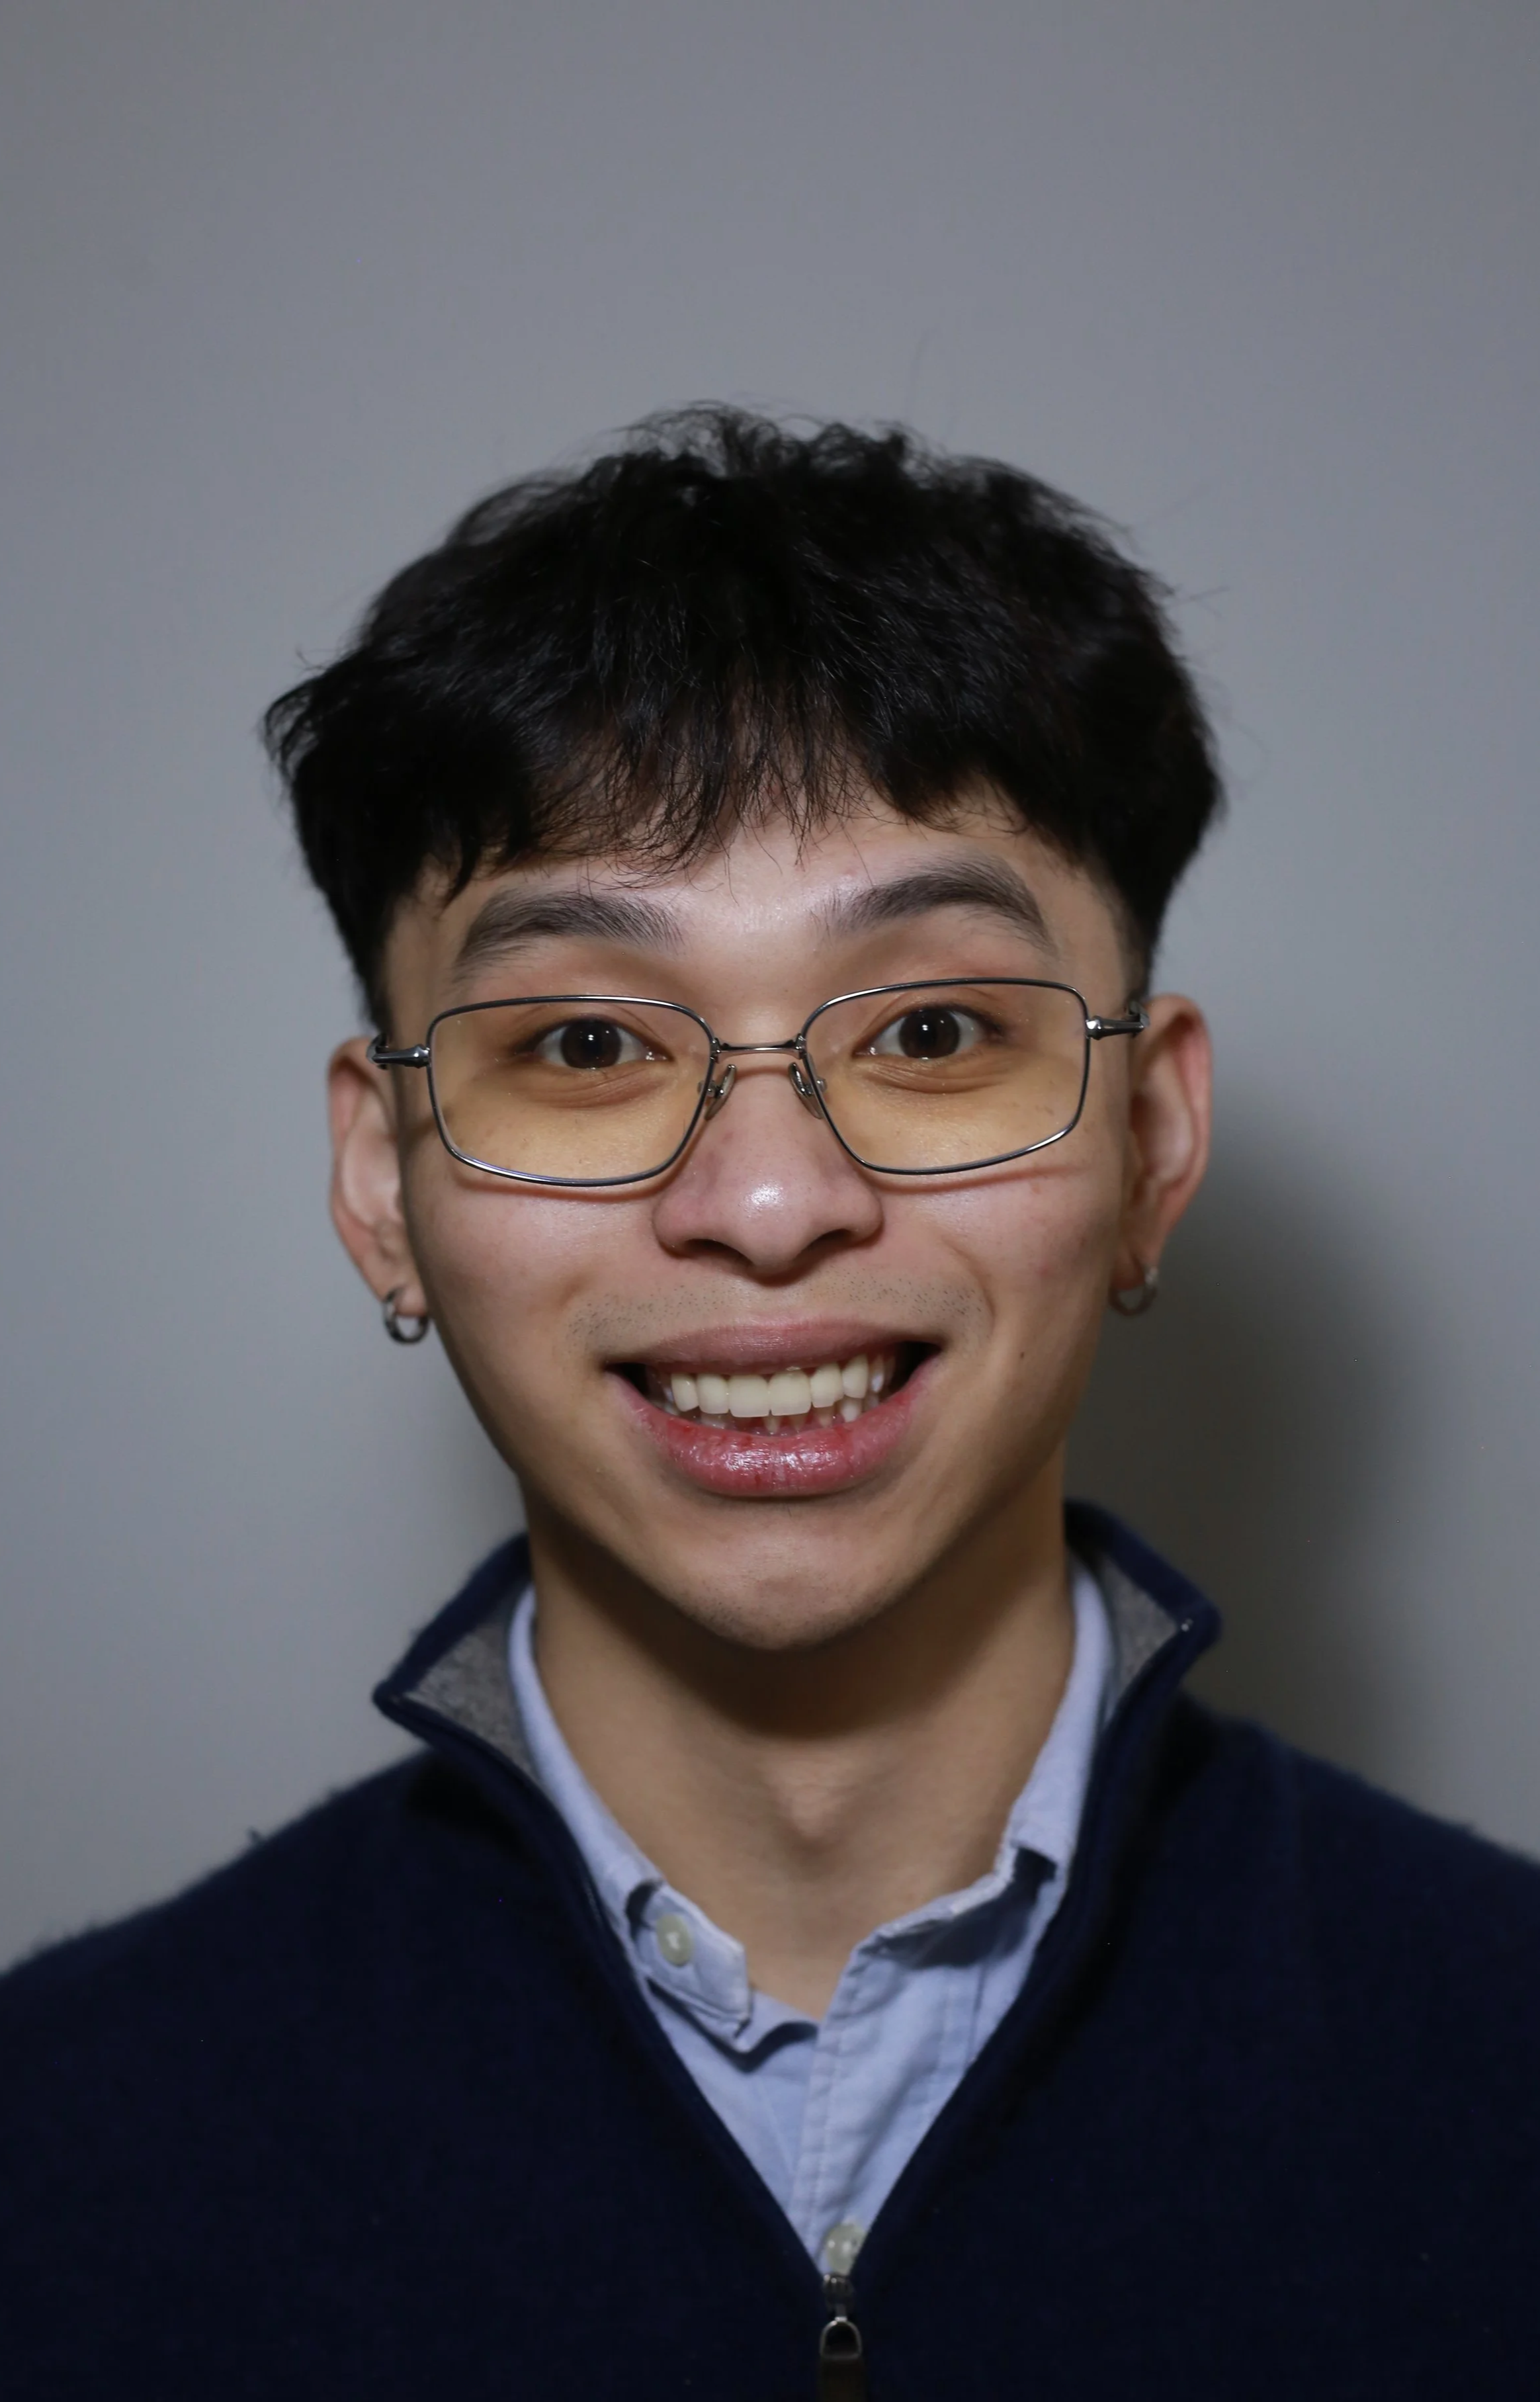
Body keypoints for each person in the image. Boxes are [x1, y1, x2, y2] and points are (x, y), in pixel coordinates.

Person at [3, 411, 1537, 2401]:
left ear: (1152, 1141)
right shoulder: (55, 2149)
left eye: (928, 1029)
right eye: (576, 1039)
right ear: (385, 1186)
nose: (768, 1201)